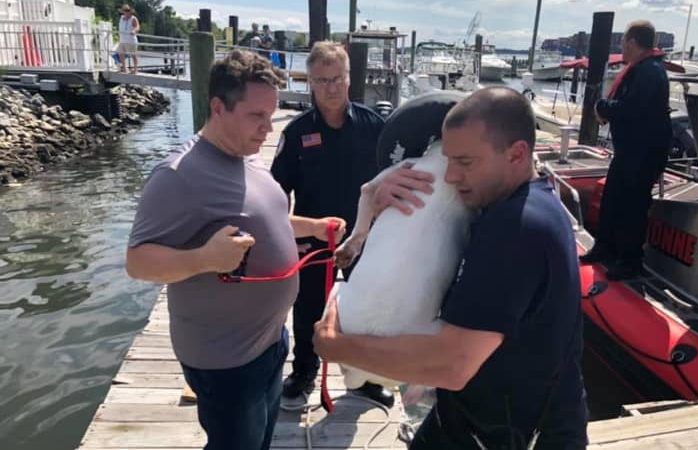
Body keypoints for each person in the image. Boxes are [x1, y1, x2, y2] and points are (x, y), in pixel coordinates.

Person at [314, 86, 588, 449]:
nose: (450, 176)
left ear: (517, 154)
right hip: (467, 420)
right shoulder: (525, 201)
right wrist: (385, 197)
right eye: (447, 160)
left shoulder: (516, 228)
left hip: (515, 437)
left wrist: (335, 347)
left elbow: (452, 365)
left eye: (465, 162)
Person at [126, 50, 345, 450]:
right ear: (217, 107)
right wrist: (203, 259)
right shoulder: (177, 177)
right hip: (225, 361)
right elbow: (138, 261)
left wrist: (311, 227)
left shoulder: (246, 158)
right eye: (255, 116)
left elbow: (266, 218)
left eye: (271, 114)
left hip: (269, 343)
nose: (267, 128)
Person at [270, 41, 391, 406]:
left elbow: (394, 181)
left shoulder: (376, 128)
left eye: (337, 78)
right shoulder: (295, 133)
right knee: (308, 307)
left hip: (365, 237)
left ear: (349, 78)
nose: (330, 87)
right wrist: (294, 233)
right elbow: (276, 196)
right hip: (314, 237)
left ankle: (362, 378)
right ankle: (304, 371)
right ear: (310, 83)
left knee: (367, 309)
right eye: (321, 80)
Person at [581, 20, 672, 280]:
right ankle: (605, 247)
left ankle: (630, 261)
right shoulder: (642, 69)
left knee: (633, 206)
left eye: (623, 43)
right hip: (630, 150)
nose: (622, 48)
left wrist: (602, 107)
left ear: (632, 42)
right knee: (612, 199)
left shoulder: (650, 72)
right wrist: (606, 107)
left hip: (644, 152)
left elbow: (632, 109)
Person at [118, 4, 140, 73]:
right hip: (122, 40)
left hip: (131, 40)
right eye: (125, 10)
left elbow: (137, 27)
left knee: (133, 54)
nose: (126, 12)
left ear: (130, 11)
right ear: (123, 11)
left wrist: (134, 31)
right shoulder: (121, 18)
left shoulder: (133, 18)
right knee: (120, 53)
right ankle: (124, 68)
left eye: (127, 10)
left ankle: (135, 69)